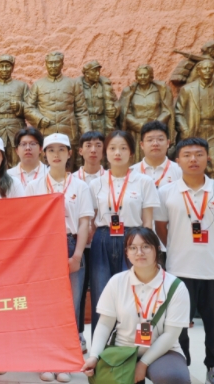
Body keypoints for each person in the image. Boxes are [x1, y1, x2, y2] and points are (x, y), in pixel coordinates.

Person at [155, 138, 214, 384]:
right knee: (178, 325)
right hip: (179, 270)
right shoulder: (167, 192)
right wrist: (176, 247)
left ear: (207, 158)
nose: (193, 159)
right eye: (187, 155)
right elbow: (161, 227)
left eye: (199, 154)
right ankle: (180, 367)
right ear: (178, 160)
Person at [81, 228, 191, 384]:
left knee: (175, 381)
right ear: (127, 252)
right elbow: (104, 324)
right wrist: (94, 356)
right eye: (133, 248)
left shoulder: (175, 286)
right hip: (123, 351)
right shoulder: (117, 282)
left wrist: (143, 364)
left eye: (146, 246)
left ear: (157, 249)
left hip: (162, 352)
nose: (139, 252)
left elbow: (171, 335)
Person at [25, 133, 92, 382]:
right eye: (51, 150)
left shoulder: (80, 186)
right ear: (44, 154)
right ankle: (45, 358)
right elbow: (29, 223)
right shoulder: (34, 186)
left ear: (69, 154)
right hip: (43, 247)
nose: (56, 154)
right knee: (44, 304)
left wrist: (77, 255)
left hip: (71, 243)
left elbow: (84, 223)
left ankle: (63, 361)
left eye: (61, 149)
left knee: (70, 305)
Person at [89, 130, 159, 335]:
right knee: (101, 293)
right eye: (112, 148)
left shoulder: (144, 181)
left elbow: (148, 221)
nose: (117, 153)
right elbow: (91, 218)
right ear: (105, 152)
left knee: (131, 293)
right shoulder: (95, 183)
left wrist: (145, 248)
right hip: (102, 239)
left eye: (123, 148)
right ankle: (100, 348)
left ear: (132, 153)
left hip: (133, 240)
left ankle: (128, 344)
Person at [130, 121, 182, 266]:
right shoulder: (131, 172)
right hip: (139, 244)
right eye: (150, 140)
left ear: (168, 143)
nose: (155, 143)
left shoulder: (180, 172)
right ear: (141, 145)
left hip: (172, 241)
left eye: (160, 139)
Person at [73, 130, 105, 349]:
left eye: (98, 145)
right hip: (78, 243)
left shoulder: (111, 178)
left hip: (102, 242)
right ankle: (78, 333)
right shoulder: (72, 180)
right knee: (79, 291)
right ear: (80, 151)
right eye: (88, 146)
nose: (93, 150)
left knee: (102, 289)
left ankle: (103, 337)